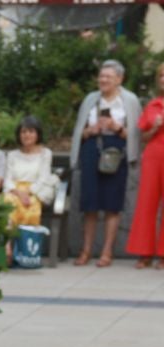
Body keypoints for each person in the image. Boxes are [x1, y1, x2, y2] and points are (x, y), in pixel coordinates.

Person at [72, 61, 142, 268]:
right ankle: (86, 251)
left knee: (113, 204)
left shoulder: (129, 100)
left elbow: (136, 135)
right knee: (90, 203)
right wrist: (90, 131)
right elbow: (79, 133)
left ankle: (107, 251)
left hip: (116, 151)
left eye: (108, 77)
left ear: (119, 79)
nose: (103, 80)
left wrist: (116, 127)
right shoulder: (90, 99)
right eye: (101, 76)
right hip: (92, 149)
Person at [0, 115, 57, 246]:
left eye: (31, 131)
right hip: (15, 191)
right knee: (7, 203)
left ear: (37, 134)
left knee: (29, 204)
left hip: (36, 191)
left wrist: (27, 193)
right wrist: (19, 193)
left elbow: (43, 178)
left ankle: (24, 249)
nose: (26, 135)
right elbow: (7, 180)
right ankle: (7, 248)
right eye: (23, 132)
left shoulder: (45, 154)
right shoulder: (12, 155)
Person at [128, 68, 164, 267]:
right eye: (161, 75)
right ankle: (145, 253)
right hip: (153, 157)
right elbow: (143, 137)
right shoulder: (152, 105)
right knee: (147, 203)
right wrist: (156, 127)